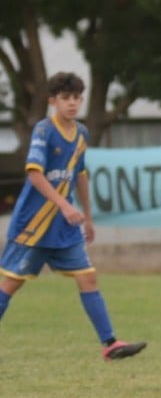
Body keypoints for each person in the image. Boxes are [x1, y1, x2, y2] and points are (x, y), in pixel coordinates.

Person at [0, 72, 147, 362]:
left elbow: (79, 174)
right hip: (34, 223)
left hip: (63, 227)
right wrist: (64, 206)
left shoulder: (81, 133)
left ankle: (110, 344)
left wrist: (88, 217)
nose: (72, 103)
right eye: (65, 98)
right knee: (10, 284)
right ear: (53, 101)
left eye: (76, 98)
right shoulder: (44, 131)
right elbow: (34, 173)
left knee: (88, 277)